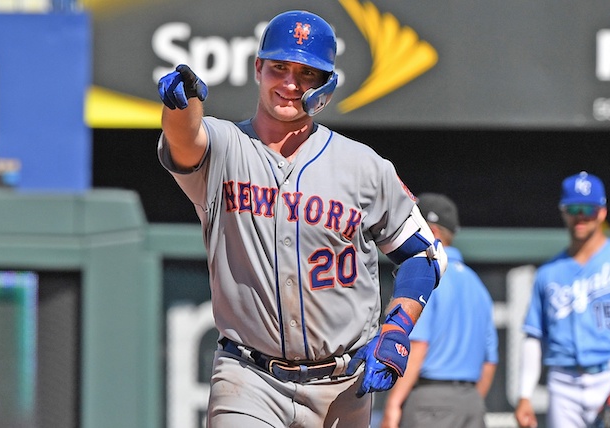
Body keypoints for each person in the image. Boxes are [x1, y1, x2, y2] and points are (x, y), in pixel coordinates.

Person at [156, 10, 447, 428]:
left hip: (343, 387)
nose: (290, 84)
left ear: (326, 83)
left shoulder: (363, 167)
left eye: (307, 73)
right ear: (258, 68)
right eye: (279, 67)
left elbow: (423, 256)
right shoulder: (225, 149)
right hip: (248, 378)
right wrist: (179, 106)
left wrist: (398, 326)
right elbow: (185, 140)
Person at [514, 171, 610, 428]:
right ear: (563, 212)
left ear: (602, 212)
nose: (580, 216)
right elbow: (534, 336)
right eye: (573, 208)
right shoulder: (548, 273)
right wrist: (524, 395)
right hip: (563, 381)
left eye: (587, 209)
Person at [379, 193, 498, 428]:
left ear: (430, 231)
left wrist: (393, 404)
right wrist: (469, 402)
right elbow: (490, 361)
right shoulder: (478, 285)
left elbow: (418, 346)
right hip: (471, 401)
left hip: (430, 402)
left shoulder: (428, 276)